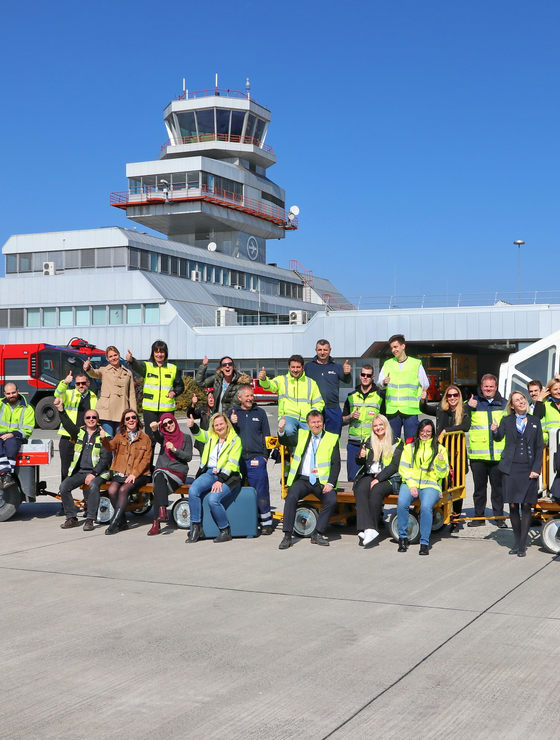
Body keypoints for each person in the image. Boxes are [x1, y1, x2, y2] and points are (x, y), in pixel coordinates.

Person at [277, 409, 340, 549]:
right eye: (313, 422)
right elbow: (285, 440)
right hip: (303, 480)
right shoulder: (302, 434)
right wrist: (281, 429)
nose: (316, 425)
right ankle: (287, 535)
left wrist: (330, 483)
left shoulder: (332, 438)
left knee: (332, 500)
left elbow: (336, 464)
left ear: (323, 423)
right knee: (291, 497)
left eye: (319, 422)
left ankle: (317, 533)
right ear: (308, 424)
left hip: (321, 481)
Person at [491, 391, 543, 557]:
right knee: (513, 505)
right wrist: (494, 430)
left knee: (526, 505)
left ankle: (522, 545)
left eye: (522, 399)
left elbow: (539, 446)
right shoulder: (507, 420)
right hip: (511, 468)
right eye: (517, 400)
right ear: (512, 406)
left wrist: (536, 468)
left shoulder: (535, 420)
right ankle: (517, 540)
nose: (521, 402)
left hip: (528, 468)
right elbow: (499, 438)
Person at [52, 397, 111, 531]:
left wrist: (93, 474)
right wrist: (61, 410)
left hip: (100, 472)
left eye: (94, 417)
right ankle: (71, 518)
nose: (91, 419)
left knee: (94, 486)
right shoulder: (80, 432)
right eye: (88, 417)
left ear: (97, 420)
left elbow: (105, 459)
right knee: (64, 486)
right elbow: (68, 425)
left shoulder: (104, 436)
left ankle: (90, 519)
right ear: (84, 420)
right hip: (81, 471)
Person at [185, 412, 243, 543]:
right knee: (193, 490)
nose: (219, 427)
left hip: (229, 476)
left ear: (227, 424)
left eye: (221, 424)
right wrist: (193, 426)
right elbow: (200, 434)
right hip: (211, 473)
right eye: (216, 425)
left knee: (213, 499)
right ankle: (196, 527)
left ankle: (225, 530)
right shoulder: (212, 436)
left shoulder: (235, 440)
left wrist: (221, 480)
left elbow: (231, 464)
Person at [396, 419, 449, 555]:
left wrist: (442, 462)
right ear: (418, 431)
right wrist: (412, 486)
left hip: (430, 485)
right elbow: (403, 469)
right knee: (402, 502)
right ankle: (403, 537)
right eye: (422, 431)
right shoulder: (410, 447)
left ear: (433, 433)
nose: (425, 434)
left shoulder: (440, 449)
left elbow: (442, 474)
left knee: (426, 507)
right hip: (410, 483)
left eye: (428, 431)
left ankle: (424, 543)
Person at [420, 384, 470, 523]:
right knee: (443, 483)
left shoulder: (464, 410)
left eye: (455, 395)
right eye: (449, 395)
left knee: (457, 485)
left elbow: (466, 426)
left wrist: (446, 430)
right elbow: (424, 409)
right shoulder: (440, 409)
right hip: (442, 453)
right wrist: (423, 400)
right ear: (446, 397)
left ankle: (456, 517)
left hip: (457, 452)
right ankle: (440, 513)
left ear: (459, 397)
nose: (452, 398)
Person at [466, 374, 508, 528]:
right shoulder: (473, 403)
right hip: (478, 456)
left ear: (496, 387)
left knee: (498, 489)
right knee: (479, 489)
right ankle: (479, 518)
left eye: (491, 386)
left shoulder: (505, 404)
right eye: (485, 386)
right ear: (481, 387)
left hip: (497, 456)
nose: (488, 389)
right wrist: (467, 406)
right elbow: (458, 415)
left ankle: (499, 517)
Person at [353, 414, 403, 547]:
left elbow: (394, 465)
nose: (378, 428)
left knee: (376, 491)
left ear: (386, 425)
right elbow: (360, 462)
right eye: (375, 426)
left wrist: (379, 478)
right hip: (369, 473)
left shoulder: (397, 442)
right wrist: (360, 456)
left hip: (389, 477)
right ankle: (367, 528)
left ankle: (372, 528)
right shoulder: (368, 440)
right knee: (360, 489)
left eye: (381, 425)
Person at [229, 385, 273, 534]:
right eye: (246, 396)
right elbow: (225, 436)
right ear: (239, 397)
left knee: (261, 492)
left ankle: (266, 522)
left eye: (251, 395)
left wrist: (265, 457)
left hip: (256, 460)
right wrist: (231, 423)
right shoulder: (232, 413)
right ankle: (240, 520)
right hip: (237, 460)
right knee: (235, 492)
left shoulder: (260, 413)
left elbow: (267, 436)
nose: (250, 398)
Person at [100, 409, 152, 535]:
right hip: (121, 473)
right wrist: (104, 439)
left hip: (140, 474)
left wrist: (134, 474)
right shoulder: (119, 436)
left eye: (133, 417)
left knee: (123, 490)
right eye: (127, 419)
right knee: (112, 490)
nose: (131, 420)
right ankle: (122, 521)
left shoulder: (145, 438)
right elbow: (110, 447)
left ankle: (114, 523)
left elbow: (146, 460)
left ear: (137, 420)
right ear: (124, 422)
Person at [126, 341, 185, 446]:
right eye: (156, 352)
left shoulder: (172, 368)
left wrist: (174, 392)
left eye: (162, 352)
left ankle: (166, 462)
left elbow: (181, 386)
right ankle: (149, 463)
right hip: (150, 410)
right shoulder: (147, 366)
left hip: (167, 410)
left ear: (165, 353)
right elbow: (137, 366)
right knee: (150, 439)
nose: (159, 354)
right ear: (153, 353)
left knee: (167, 438)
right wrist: (131, 360)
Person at [147, 413, 192, 535]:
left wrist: (175, 450)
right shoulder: (163, 437)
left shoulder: (185, 437)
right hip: (161, 471)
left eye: (170, 422)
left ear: (175, 422)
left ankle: (156, 522)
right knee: (159, 476)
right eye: (165, 424)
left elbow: (188, 457)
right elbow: (156, 436)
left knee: (158, 485)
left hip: (177, 473)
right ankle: (162, 510)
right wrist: (154, 429)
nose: (168, 426)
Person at [378, 334, 429, 441]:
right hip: (393, 411)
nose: (393, 350)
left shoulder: (415, 364)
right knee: (392, 443)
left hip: (410, 411)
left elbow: (425, 384)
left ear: (403, 346)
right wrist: (384, 382)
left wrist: (423, 396)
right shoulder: (388, 364)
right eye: (391, 348)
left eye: (395, 347)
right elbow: (379, 383)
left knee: (410, 443)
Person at [259, 355, 324, 438]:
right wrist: (264, 380)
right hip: (288, 417)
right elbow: (269, 386)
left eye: (298, 367)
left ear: (303, 367)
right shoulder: (281, 380)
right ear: (289, 367)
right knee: (288, 431)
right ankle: (293, 451)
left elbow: (319, 402)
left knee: (311, 436)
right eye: (293, 367)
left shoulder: (311, 383)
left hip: (306, 419)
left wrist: (312, 416)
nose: (295, 370)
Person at [342, 364, 385, 481]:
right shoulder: (351, 396)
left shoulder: (380, 396)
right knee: (352, 479)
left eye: (368, 375)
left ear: (373, 377)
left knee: (372, 479)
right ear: (360, 376)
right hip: (354, 444)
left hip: (373, 444)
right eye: (363, 374)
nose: (365, 377)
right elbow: (342, 420)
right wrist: (350, 416)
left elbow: (385, 422)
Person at [54, 370, 98, 481]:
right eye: (78, 383)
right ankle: (64, 493)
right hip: (68, 436)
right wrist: (64, 383)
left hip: (85, 437)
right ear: (75, 384)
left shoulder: (93, 397)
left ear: (88, 383)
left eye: (83, 383)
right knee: (65, 470)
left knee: (86, 469)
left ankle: (87, 497)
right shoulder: (69, 394)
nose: (81, 385)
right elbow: (57, 394)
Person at [83, 346, 136, 437]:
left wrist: (133, 413)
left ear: (119, 355)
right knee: (108, 439)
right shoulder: (104, 370)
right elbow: (94, 373)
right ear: (108, 358)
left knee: (122, 439)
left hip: (122, 410)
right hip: (106, 411)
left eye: (115, 355)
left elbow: (131, 394)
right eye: (110, 356)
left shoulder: (128, 373)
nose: (113, 358)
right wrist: (88, 368)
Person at [304, 340, 351, 435]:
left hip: (333, 408)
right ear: (316, 350)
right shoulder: (308, 367)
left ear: (330, 350)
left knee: (333, 438)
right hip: (314, 408)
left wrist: (347, 373)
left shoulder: (337, 367)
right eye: (320, 350)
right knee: (314, 438)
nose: (322, 352)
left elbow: (347, 380)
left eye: (325, 350)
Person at [0, 382, 35, 489]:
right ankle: (6, 474)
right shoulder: (0, 405)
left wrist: (12, 434)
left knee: (11, 443)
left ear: (18, 391)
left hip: (17, 437)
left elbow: (28, 429)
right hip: (1, 435)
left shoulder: (27, 408)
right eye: (8, 393)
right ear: (4, 394)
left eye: (13, 393)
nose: (11, 396)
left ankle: (6, 472)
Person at [533, 377, 560, 444]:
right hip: (553, 442)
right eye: (555, 389)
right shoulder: (545, 404)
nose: (559, 391)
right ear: (549, 391)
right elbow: (536, 418)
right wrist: (540, 399)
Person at [187, 390, 215, 455]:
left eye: (213, 398)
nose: (211, 400)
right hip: (204, 441)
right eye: (209, 398)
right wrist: (193, 404)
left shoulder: (220, 410)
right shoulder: (203, 409)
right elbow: (191, 414)